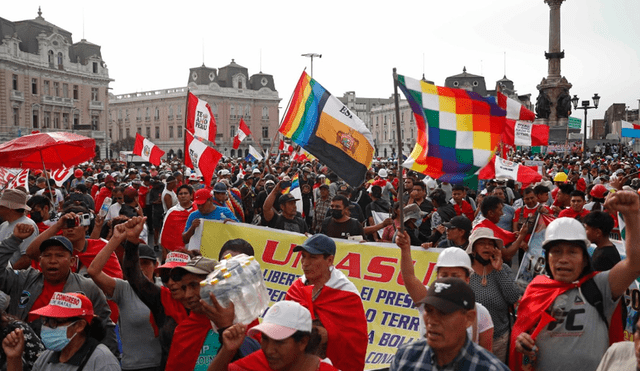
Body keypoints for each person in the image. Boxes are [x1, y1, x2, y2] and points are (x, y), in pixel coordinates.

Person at [512, 191, 640, 371]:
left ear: (585, 258)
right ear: (547, 257)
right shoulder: (536, 289)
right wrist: (522, 344)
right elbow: (525, 337)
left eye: (572, 252)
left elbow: (634, 264)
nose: (563, 259)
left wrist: (632, 214)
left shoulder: (601, 285)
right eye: (556, 251)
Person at [397, 231, 494, 352]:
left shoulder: (480, 313)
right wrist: (405, 250)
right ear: (437, 277)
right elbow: (409, 278)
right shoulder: (427, 300)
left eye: (455, 275)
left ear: (467, 279)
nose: (449, 280)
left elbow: (486, 356)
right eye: (444, 275)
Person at [87, 217, 162, 371]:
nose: (140, 268)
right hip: (133, 366)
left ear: (156, 265)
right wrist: (116, 239)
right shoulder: (123, 289)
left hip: (165, 364)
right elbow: (93, 271)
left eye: (145, 263)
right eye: (137, 263)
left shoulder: (166, 290)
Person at [285, 234, 367, 371]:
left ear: (329, 260)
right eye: (303, 256)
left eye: (312, 257)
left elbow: (355, 342)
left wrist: (328, 335)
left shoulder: (346, 294)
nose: (305, 263)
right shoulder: (296, 289)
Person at [389, 277, 509, 371]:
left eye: (443, 312)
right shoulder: (405, 356)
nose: (432, 321)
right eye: (429, 310)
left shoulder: (490, 368)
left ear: (468, 318)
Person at [208, 300, 338, 371]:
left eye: (279, 342)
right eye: (265, 339)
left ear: (303, 342)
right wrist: (227, 351)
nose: (269, 350)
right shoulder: (259, 361)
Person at [24, 292, 120, 370]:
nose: (46, 327)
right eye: (45, 320)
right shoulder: (46, 357)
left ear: (79, 325)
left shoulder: (102, 361)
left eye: (54, 322)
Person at [466, 228, 521, 363]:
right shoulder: (465, 271)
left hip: (499, 340)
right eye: (482, 243)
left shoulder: (504, 269)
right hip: (470, 340)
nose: (487, 247)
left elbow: (513, 297)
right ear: (473, 249)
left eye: (490, 244)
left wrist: (500, 270)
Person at [0, 189, 39, 269]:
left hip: (13, 279)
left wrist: (8, 275)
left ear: (10, 208)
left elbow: (27, 258)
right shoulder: (4, 225)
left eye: (1, 206)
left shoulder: (27, 225)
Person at [160, 184, 196, 259]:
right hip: (178, 253)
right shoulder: (172, 212)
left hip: (196, 249)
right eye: (180, 194)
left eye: (185, 193)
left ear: (191, 196)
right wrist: (164, 252)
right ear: (177, 197)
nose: (183, 196)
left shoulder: (197, 210)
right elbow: (164, 233)